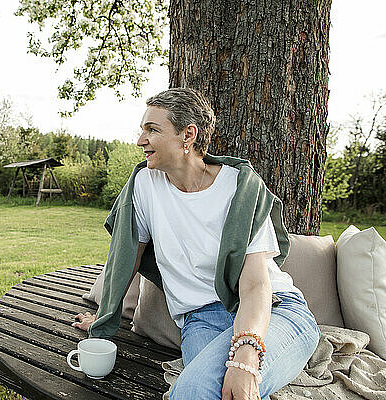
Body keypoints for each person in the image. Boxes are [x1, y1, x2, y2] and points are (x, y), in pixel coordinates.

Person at [71, 88, 320, 400]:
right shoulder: (145, 185)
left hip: (273, 311)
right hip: (200, 320)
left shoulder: (241, 189)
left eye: (152, 130)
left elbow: (256, 284)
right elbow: (126, 259)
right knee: (201, 393)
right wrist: (105, 319)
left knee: (196, 391)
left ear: (187, 135)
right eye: (142, 130)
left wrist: (246, 353)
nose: (140, 140)